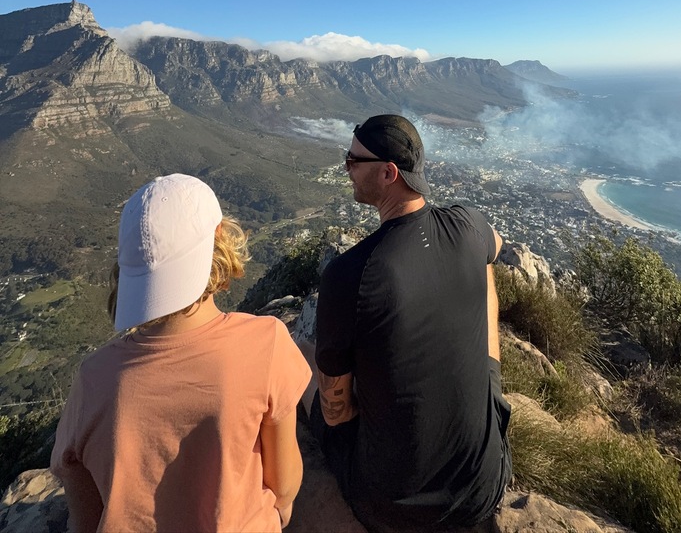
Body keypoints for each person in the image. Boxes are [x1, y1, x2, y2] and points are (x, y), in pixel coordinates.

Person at [51, 173, 311, 533]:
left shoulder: (93, 378)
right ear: (220, 240)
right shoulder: (266, 342)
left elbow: (83, 516)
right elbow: (283, 487)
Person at [303, 115, 512, 533]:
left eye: (352, 159)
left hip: (394, 508)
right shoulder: (468, 225)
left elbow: (338, 413)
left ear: (388, 173)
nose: (346, 166)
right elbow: (497, 247)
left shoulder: (350, 273)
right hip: (484, 485)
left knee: (298, 359)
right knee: (483, 267)